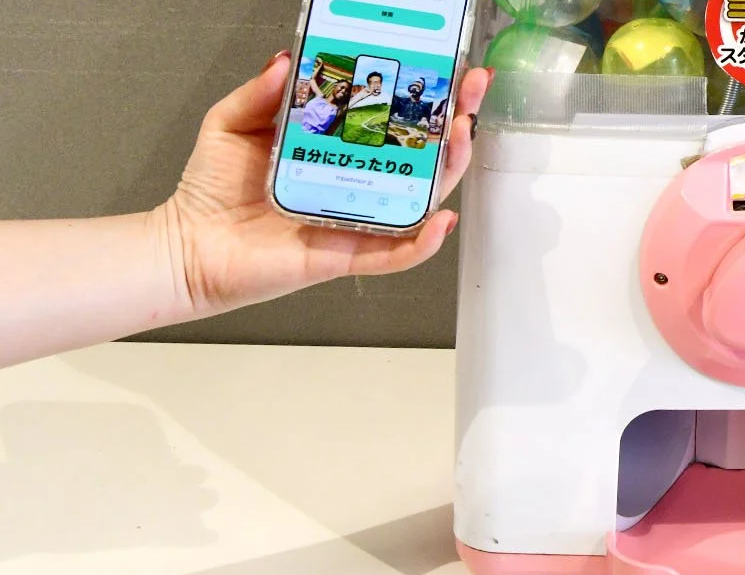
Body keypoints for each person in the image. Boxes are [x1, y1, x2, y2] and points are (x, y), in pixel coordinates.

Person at [0, 53, 492, 369]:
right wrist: (182, 257)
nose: (350, 91)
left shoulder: (366, 105)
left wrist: (183, 254)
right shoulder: (327, 98)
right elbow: (321, 87)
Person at [300, 57, 351, 136]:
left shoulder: (338, 110)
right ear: (335, 86)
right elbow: (312, 79)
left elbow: (330, 132)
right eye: (342, 87)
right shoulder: (320, 96)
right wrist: (320, 66)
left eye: (347, 91)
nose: (343, 91)